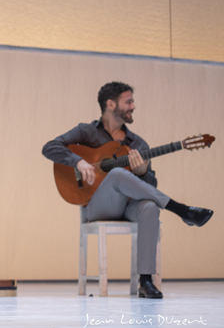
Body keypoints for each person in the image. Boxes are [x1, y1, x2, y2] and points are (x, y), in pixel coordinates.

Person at [42, 81, 214, 299]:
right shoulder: (86, 132)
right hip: (96, 206)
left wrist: (143, 173)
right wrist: (78, 161)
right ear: (111, 104)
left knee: (150, 206)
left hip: (128, 206)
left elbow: (148, 189)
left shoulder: (137, 144)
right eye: (129, 101)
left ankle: (145, 281)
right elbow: (49, 147)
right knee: (116, 174)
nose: (133, 106)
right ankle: (182, 210)